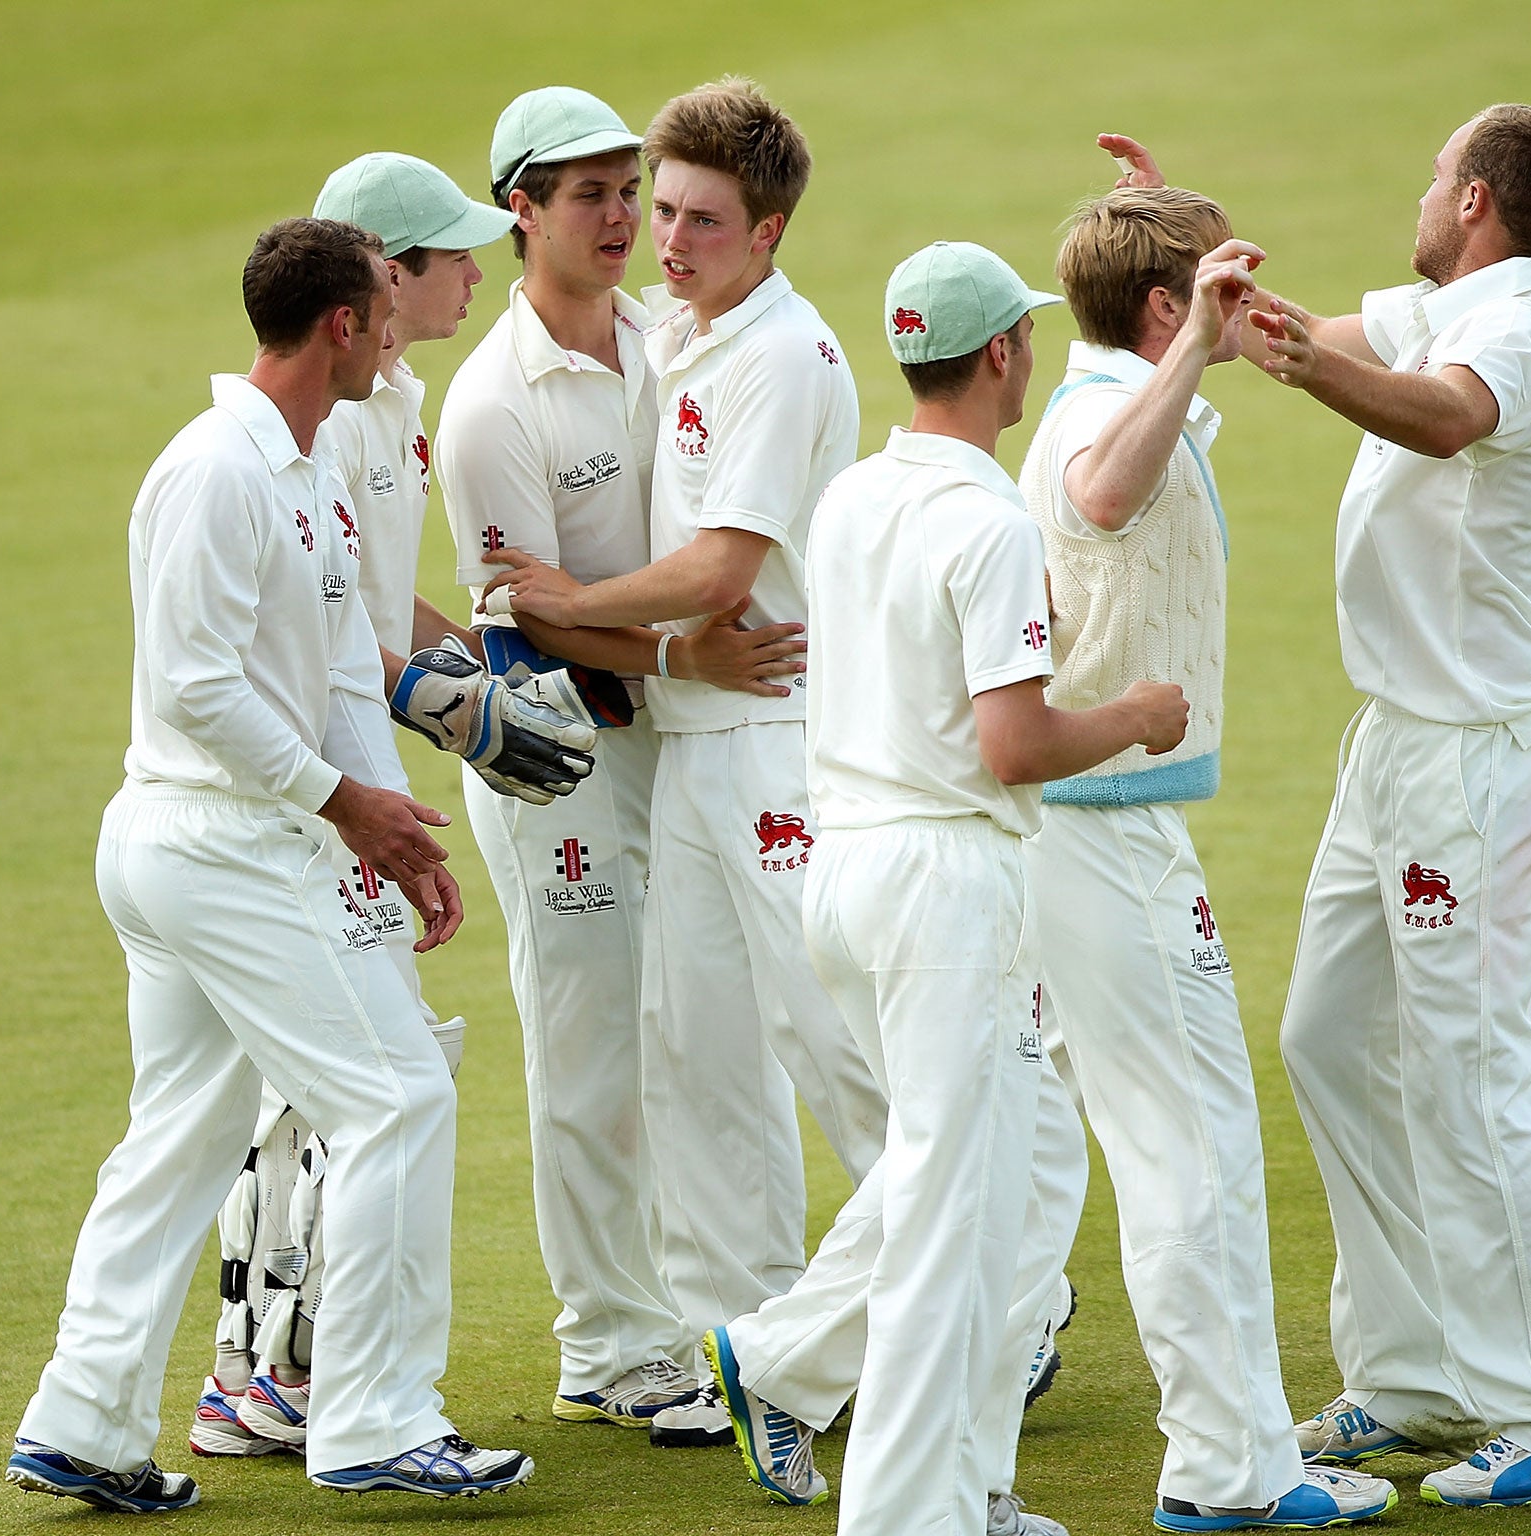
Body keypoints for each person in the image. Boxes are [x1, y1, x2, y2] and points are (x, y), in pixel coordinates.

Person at [6, 218, 536, 1511]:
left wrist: (393, 828)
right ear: (341, 325)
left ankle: (83, 1421)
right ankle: (375, 1421)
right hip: (212, 842)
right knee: (397, 1097)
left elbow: (344, 669)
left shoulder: (305, 470)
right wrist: (342, 803)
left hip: (235, 840)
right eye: (382, 313)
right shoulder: (216, 472)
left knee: (179, 1135)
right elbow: (193, 689)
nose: (399, 330)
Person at [703, 240, 1185, 1536]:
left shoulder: (858, 494)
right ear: (1004, 355)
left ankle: (952, 1478)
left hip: (850, 873)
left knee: (1016, 1175)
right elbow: (1014, 744)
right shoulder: (985, 520)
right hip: (940, 889)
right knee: (942, 1214)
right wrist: (1135, 715)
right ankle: (914, 1514)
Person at [1251, 105, 1531, 1508]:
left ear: (1476, 199)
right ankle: (1414, 1372)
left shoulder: (1527, 331)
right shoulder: (1452, 302)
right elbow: (1327, 339)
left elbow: (1444, 413)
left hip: (1478, 755)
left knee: (1475, 1073)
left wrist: (1303, 372)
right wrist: (1188, 275)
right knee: (1328, 1036)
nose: (1418, 192)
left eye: (1433, 175)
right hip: (1400, 746)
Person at [1014, 158, 1399, 1532]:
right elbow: (1105, 493)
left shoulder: (1124, 380)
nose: (1258, 306)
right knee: (1190, 1154)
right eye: (1224, 289)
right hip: (1095, 838)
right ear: (1171, 309)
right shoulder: (1108, 412)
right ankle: (1228, 1474)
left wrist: (1177, 258)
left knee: (1191, 1146)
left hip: (1111, 831)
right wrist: (1185, 334)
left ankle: (1238, 1459)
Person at [481, 77, 887, 1343]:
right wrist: (640, 646)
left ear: (767, 234)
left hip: (772, 731)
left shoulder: (769, 352)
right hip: (692, 741)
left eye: (698, 221)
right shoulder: (680, 332)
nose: (663, 241)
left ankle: (1004, 1300)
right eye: (654, 210)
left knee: (832, 1040)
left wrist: (588, 603)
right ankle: (740, 1342)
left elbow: (718, 576)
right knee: (697, 1053)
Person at [433, 85, 801, 1443]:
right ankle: (607, 1339)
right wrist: (684, 658)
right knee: (591, 1048)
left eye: (624, 189)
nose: (618, 217)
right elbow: (522, 629)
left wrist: (682, 662)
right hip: (558, 768)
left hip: (680, 747)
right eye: (583, 192)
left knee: (708, 1031)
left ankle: (739, 1317)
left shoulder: (670, 333)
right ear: (518, 211)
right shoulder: (488, 407)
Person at [184, 149, 519, 1461]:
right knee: (330, 1088)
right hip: (308, 805)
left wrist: (489, 665)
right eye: (448, 258)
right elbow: (347, 652)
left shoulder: (391, 400)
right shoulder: (343, 415)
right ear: (381, 279)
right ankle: (272, 1373)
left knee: (325, 1082)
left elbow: (382, 619)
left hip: (336, 792)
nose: (474, 273)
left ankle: (261, 1374)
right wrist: (467, 709)